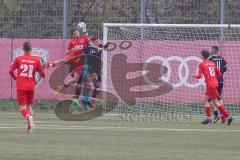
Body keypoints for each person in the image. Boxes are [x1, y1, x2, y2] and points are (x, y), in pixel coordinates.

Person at [46, 29, 102, 95]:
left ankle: (61, 88)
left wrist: (97, 47)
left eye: (77, 32)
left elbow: (90, 43)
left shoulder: (84, 38)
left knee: (77, 80)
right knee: (64, 60)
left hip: (81, 61)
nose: (77, 34)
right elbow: (67, 53)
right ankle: (50, 64)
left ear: (79, 32)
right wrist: (72, 50)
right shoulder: (72, 42)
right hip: (74, 57)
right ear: (73, 35)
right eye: (75, 34)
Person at [9, 42, 45, 133]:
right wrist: (45, 69)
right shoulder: (36, 60)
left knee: (22, 107)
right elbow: (43, 74)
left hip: (21, 86)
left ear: (23, 49)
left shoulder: (18, 59)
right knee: (29, 106)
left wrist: (15, 78)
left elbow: (10, 71)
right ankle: (30, 128)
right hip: (31, 86)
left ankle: (28, 117)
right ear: (31, 49)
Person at [193, 50, 233, 125]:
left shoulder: (201, 64)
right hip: (215, 83)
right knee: (215, 102)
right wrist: (213, 78)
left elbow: (199, 76)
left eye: (201, 55)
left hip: (210, 85)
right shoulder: (212, 63)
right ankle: (228, 117)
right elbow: (220, 74)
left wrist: (193, 75)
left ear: (202, 56)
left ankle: (209, 118)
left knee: (205, 100)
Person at [72, 36, 109, 108]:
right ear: (92, 41)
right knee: (83, 83)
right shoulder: (88, 47)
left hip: (98, 68)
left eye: (99, 41)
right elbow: (81, 55)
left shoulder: (100, 46)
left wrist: (108, 44)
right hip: (89, 67)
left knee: (92, 85)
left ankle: (91, 99)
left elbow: (104, 47)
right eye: (97, 41)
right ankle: (77, 99)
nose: (99, 42)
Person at [208, 46, 228, 123]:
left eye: (211, 49)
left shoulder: (210, 59)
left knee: (208, 100)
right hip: (220, 82)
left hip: (213, 82)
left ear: (214, 50)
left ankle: (217, 114)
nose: (210, 50)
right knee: (219, 98)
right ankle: (223, 114)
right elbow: (225, 70)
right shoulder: (222, 59)